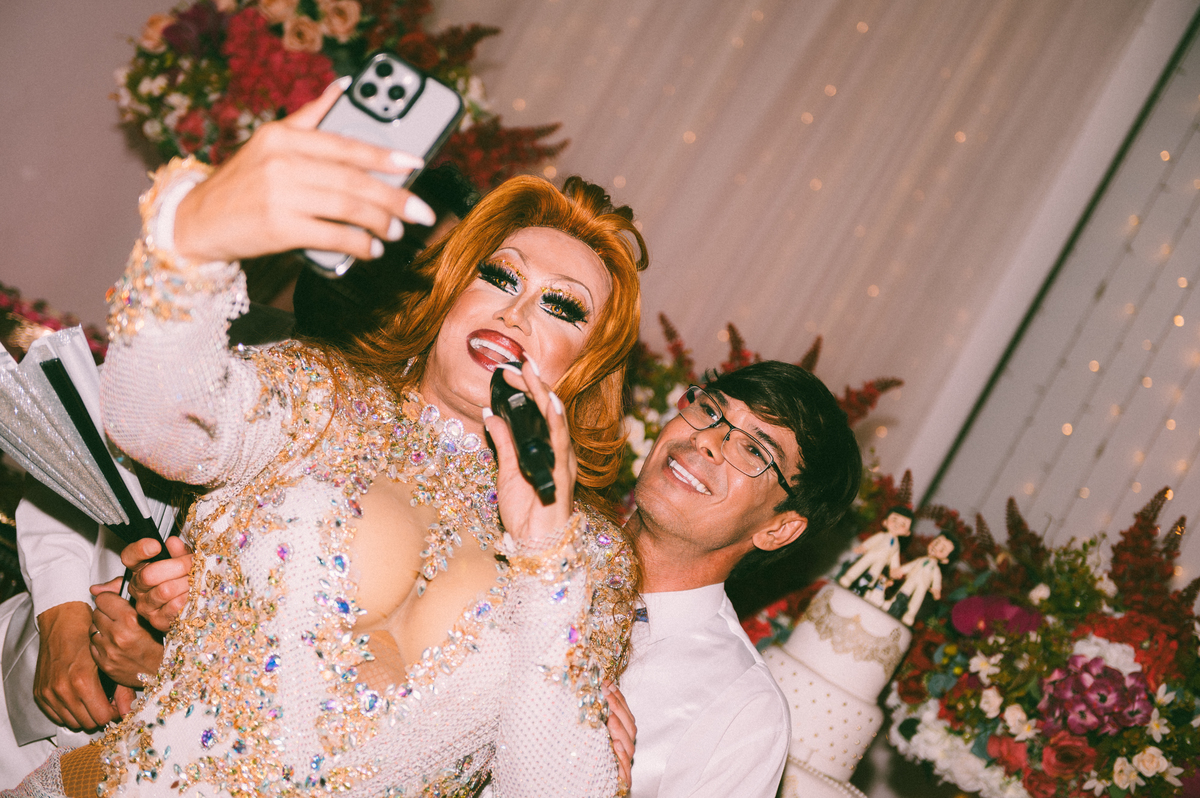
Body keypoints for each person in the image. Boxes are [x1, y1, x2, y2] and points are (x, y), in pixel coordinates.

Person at [5, 77, 646, 798]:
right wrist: (193, 242)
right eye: (500, 276)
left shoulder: (590, 562)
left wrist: (545, 556)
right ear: (451, 292)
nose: (518, 311)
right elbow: (156, 423)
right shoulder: (322, 398)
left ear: (588, 365)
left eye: (563, 307)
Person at [620, 361, 863, 797]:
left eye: (753, 450)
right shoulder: (528, 530)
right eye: (710, 410)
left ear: (779, 529)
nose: (707, 439)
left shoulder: (744, 712)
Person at [884, 532, 958, 626]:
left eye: (942, 549)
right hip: (911, 579)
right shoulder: (921, 560)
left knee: (916, 600)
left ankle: (909, 615)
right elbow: (910, 566)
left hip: (922, 586)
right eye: (936, 543)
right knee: (903, 591)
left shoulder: (935, 569)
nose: (936, 547)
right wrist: (900, 570)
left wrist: (936, 589)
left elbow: (937, 580)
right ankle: (892, 602)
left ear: (945, 560)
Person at [836, 505, 912, 594]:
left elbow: (894, 557)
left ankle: (864, 588)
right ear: (885, 522)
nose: (897, 525)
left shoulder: (896, 545)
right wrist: (863, 547)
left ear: (907, 533)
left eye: (903, 524)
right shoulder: (881, 535)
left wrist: (894, 568)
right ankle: (848, 579)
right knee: (860, 566)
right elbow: (871, 542)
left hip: (881, 562)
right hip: (871, 555)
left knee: (874, 574)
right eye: (894, 520)